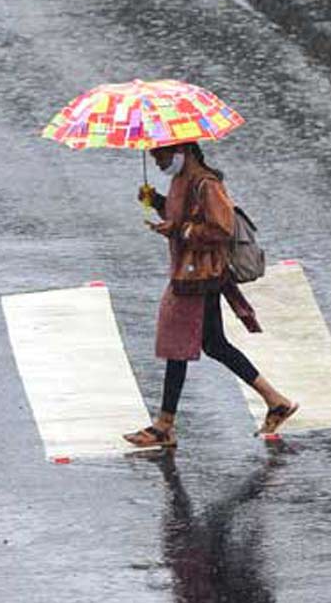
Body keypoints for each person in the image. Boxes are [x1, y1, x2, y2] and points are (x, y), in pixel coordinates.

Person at [123, 142, 298, 448]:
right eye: (154, 156)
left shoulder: (207, 184)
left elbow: (221, 228)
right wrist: (157, 201)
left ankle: (164, 426)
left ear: (183, 151)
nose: (158, 162)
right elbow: (181, 216)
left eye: (161, 155)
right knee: (213, 344)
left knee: (178, 345)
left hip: (200, 276)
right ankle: (275, 401)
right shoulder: (182, 180)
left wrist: (180, 231)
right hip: (192, 274)